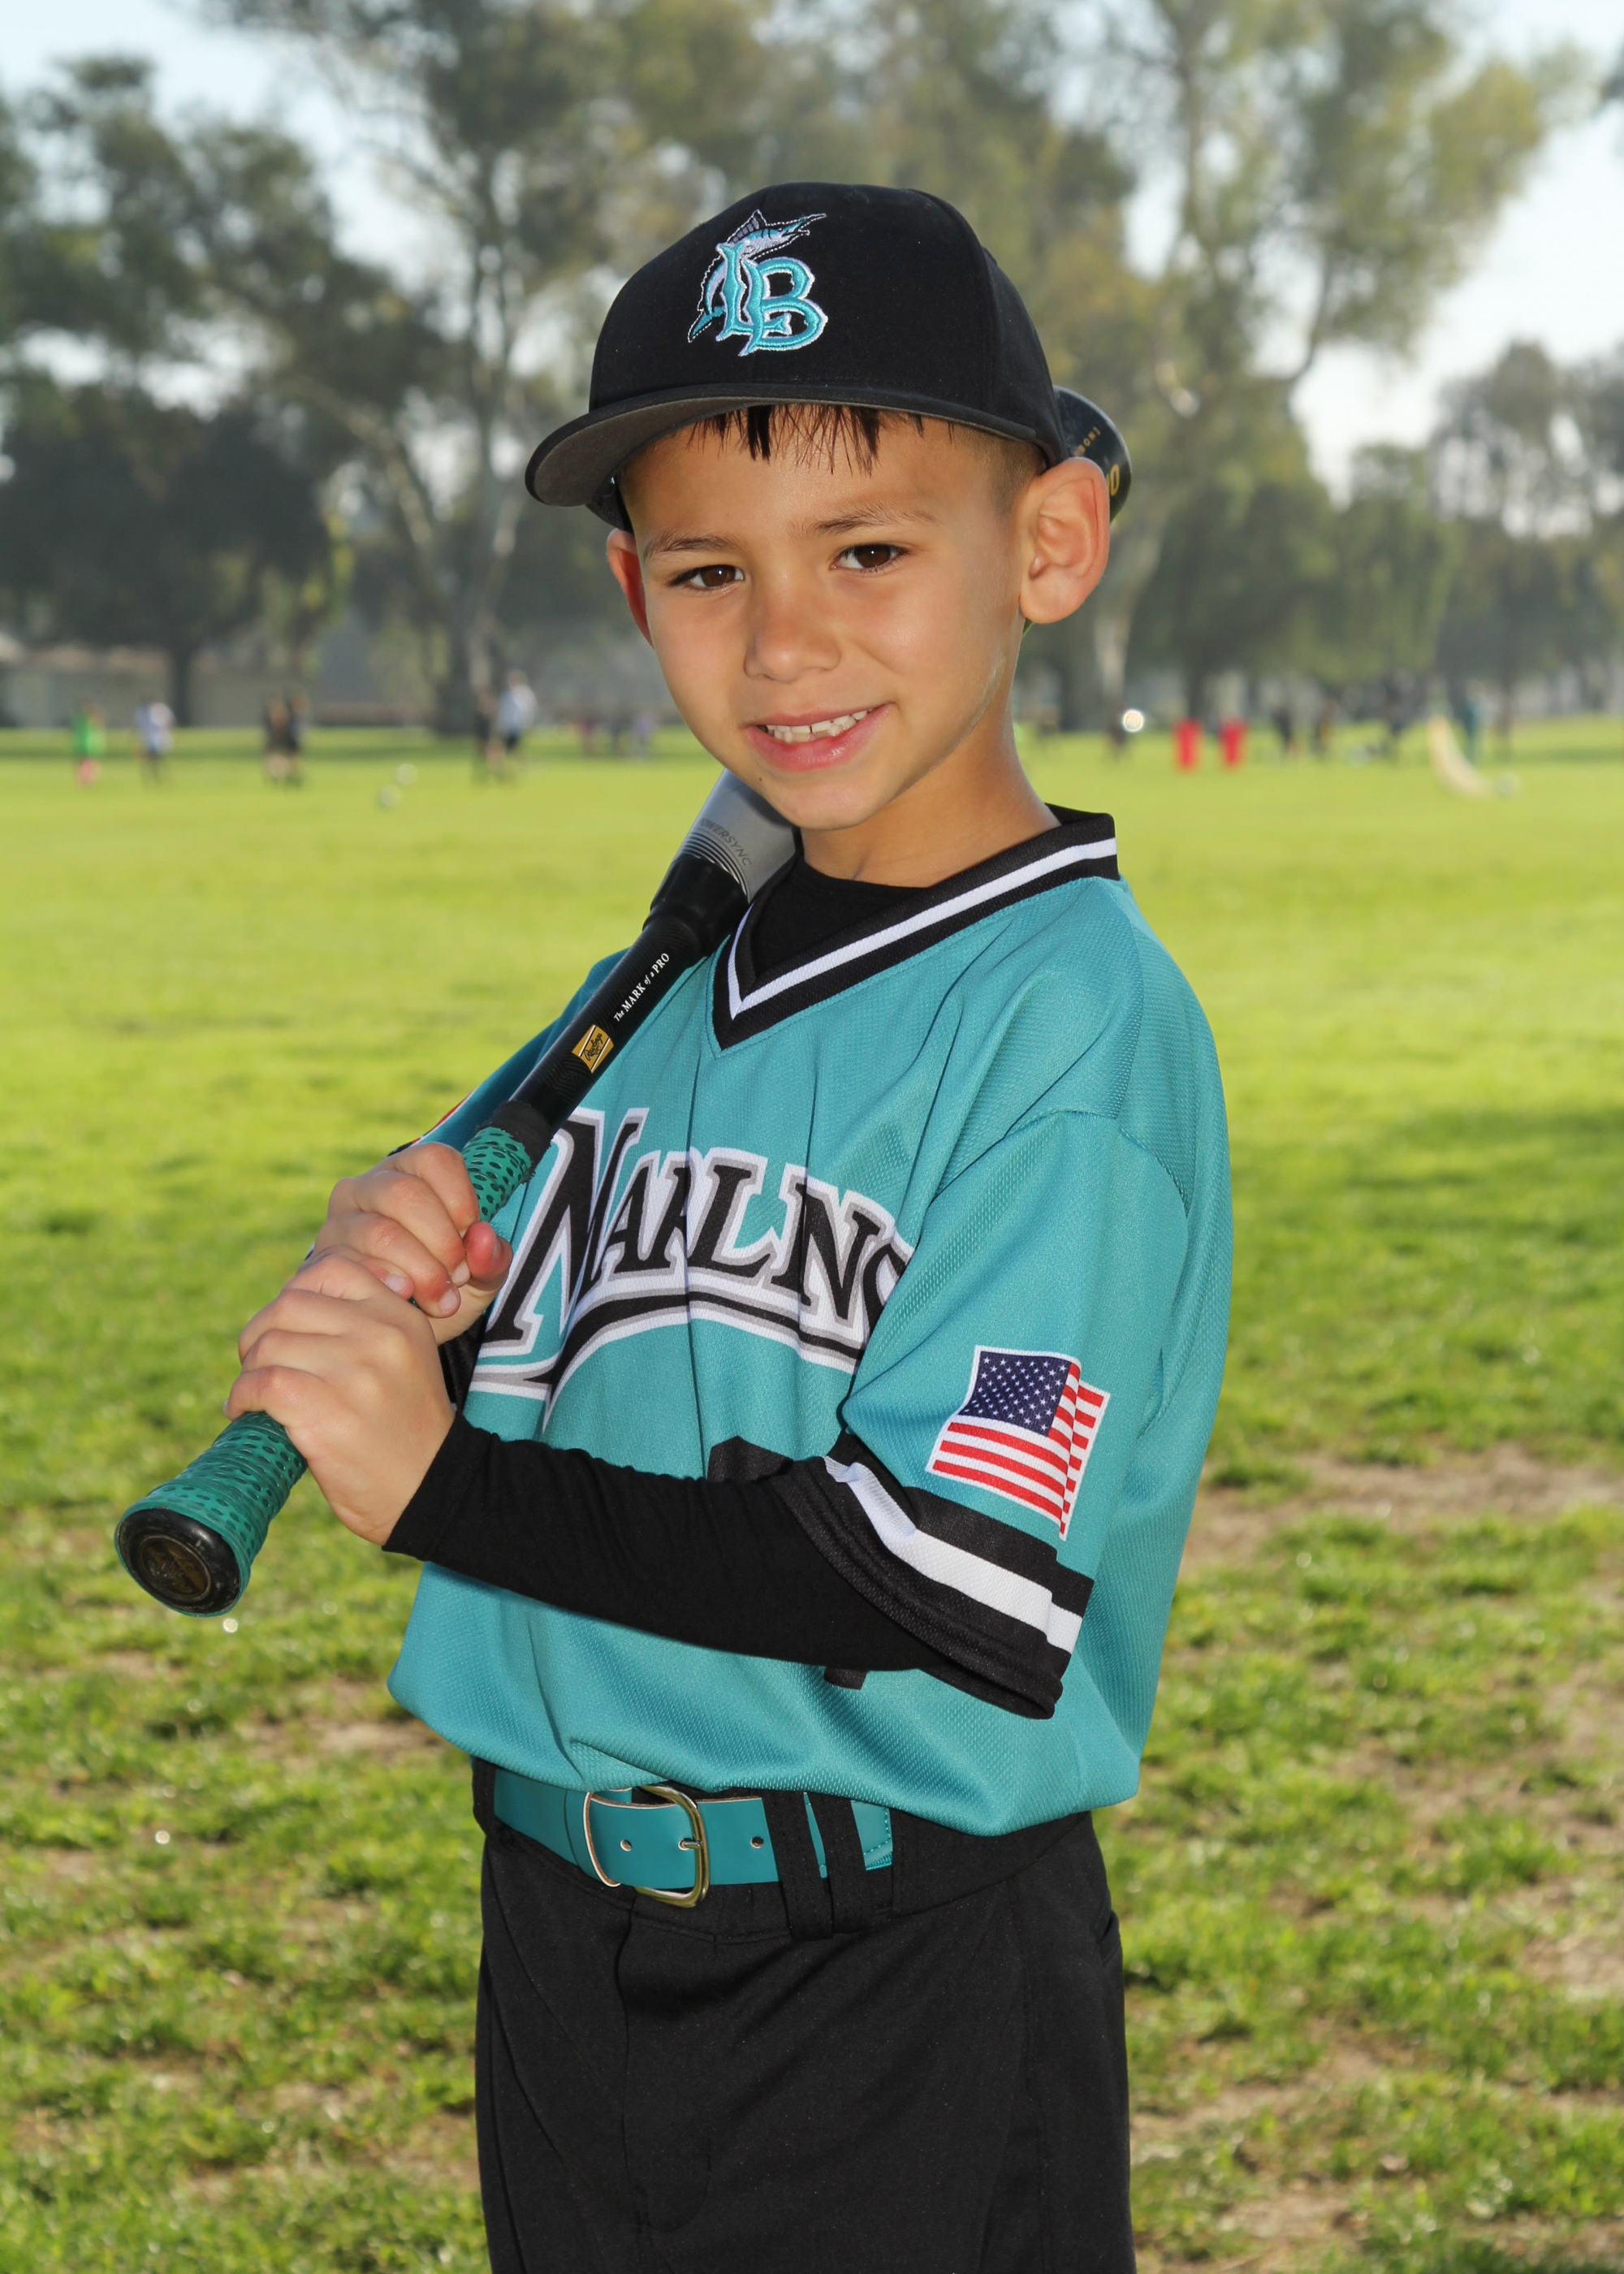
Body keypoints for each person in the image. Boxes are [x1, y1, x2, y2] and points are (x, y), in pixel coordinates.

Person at [226, 184, 1231, 2273]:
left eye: (866, 551)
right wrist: (442, 1305)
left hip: (891, 1987)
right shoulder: (672, 983)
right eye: (709, 570)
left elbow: (946, 1572)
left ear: (1046, 543)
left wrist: (444, 1485)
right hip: (563, 1948)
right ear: (633, 588)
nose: (782, 640)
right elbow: (603, 1356)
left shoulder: (1073, 1022)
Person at [133, 696, 175, 782]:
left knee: (157, 761)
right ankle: (155, 779)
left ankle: (161, 778)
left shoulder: (159, 711)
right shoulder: (142, 712)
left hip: (158, 740)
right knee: (150, 762)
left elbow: (167, 723)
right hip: (147, 741)